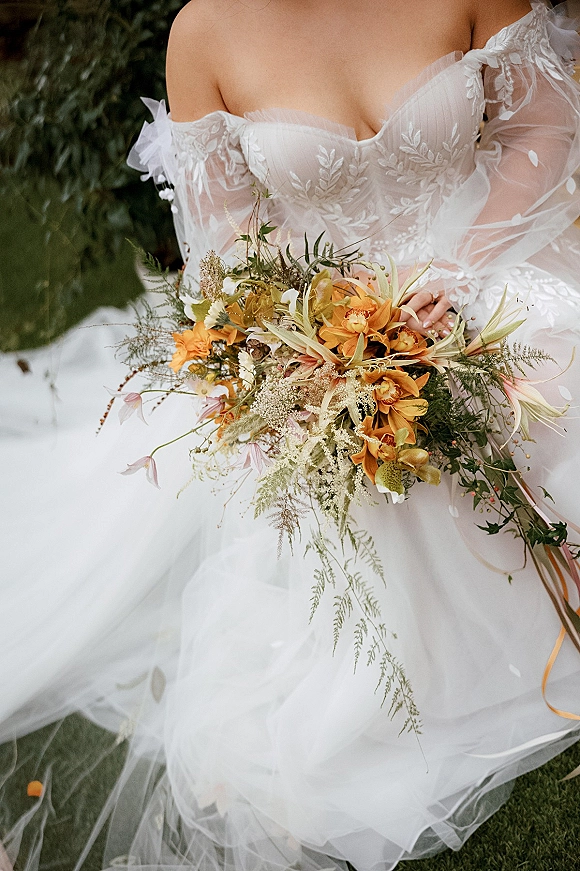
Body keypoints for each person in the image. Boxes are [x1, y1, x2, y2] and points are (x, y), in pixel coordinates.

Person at [2, 0, 580, 869]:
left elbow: (542, 122)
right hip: (338, 343)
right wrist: (329, 350)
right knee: (377, 494)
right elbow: (229, 253)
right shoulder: (205, 35)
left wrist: (458, 271)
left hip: (491, 276)